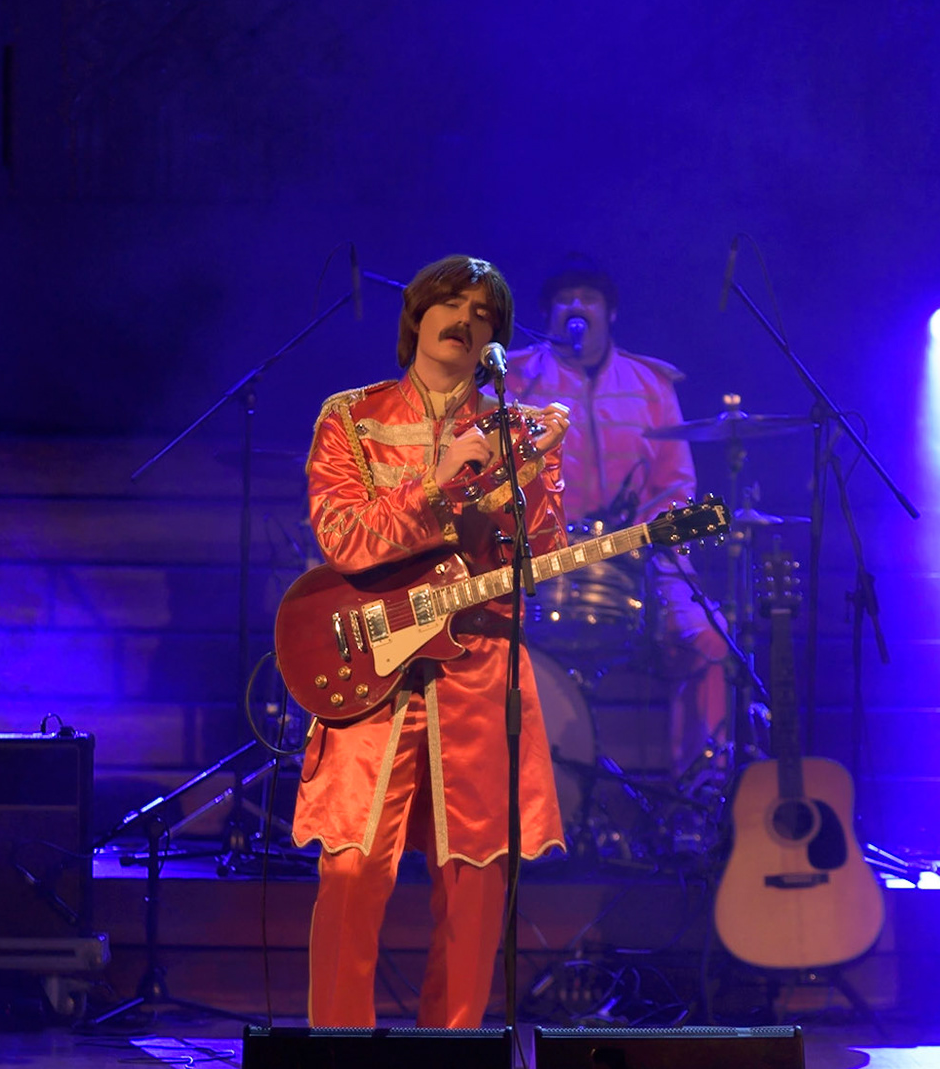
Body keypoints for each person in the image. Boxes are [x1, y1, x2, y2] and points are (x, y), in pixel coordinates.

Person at [293, 254, 570, 1028]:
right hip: (369, 662)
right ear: (417, 315)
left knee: (475, 881)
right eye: (450, 301)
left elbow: (540, 555)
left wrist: (534, 479)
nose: (464, 319)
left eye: (483, 313)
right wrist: (440, 482)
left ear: (495, 341)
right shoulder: (351, 418)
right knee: (351, 870)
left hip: (479, 663)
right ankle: (337, 1061)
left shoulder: (519, 427)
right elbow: (345, 538)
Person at [507, 255, 729, 769]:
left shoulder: (652, 384)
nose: (576, 306)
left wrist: (650, 545)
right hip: (534, 565)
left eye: (589, 298)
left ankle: (701, 786)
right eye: (564, 299)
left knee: (708, 636)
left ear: (610, 313)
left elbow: (676, 486)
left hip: (638, 564)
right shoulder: (514, 380)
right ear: (548, 316)